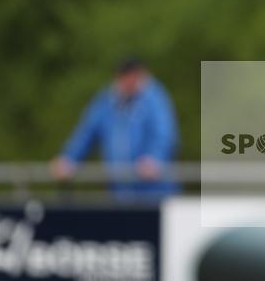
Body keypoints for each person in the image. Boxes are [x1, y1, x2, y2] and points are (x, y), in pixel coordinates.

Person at [51, 57, 179, 201]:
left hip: (154, 192)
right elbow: (87, 132)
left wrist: (154, 158)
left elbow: (164, 133)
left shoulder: (155, 99)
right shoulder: (106, 101)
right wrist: (69, 158)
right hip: (119, 192)